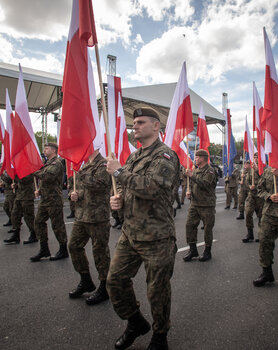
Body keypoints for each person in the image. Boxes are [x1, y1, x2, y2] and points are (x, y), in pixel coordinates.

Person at [106, 107, 180, 350]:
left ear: (156, 126)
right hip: (130, 233)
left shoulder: (165, 156)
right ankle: (136, 322)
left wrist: (119, 171)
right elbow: (129, 190)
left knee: (157, 292)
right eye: (133, 123)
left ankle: (160, 336)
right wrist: (117, 201)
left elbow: (152, 188)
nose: (134, 126)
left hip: (157, 237)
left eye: (140, 122)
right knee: (115, 281)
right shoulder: (134, 157)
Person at [68, 148, 112, 305]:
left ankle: (104, 287)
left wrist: (79, 173)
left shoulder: (104, 163)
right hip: (82, 215)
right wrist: (75, 194)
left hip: (98, 217)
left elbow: (99, 184)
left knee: (100, 252)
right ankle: (85, 279)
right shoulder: (85, 165)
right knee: (73, 246)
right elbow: (81, 188)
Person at [31, 142, 68, 262]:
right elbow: (44, 180)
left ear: (53, 150)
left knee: (57, 226)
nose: (44, 150)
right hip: (45, 199)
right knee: (38, 222)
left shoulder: (57, 163)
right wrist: (40, 190)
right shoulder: (47, 163)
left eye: (46, 149)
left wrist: (32, 170)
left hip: (54, 200)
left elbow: (48, 177)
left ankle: (63, 249)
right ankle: (44, 249)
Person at [183, 149, 218, 262]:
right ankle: (193, 250)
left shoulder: (210, 171)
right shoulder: (196, 170)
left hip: (207, 205)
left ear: (203, 158)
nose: (195, 159)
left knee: (207, 228)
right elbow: (195, 185)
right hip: (195, 203)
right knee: (190, 225)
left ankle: (207, 251)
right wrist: (189, 193)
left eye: (197, 157)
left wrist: (191, 176)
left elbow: (205, 184)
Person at [4, 174, 37, 245]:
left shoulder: (29, 170)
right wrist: (15, 185)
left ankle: (33, 234)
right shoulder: (20, 170)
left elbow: (24, 180)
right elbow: (17, 181)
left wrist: (14, 175)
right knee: (14, 215)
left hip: (27, 196)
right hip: (19, 196)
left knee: (28, 217)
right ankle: (16, 234)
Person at [242, 154, 264, 242]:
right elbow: (247, 181)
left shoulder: (264, 170)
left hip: (260, 196)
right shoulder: (251, 170)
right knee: (248, 213)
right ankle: (250, 233)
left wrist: (258, 171)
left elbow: (265, 181)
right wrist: (250, 186)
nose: (255, 159)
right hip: (251, 195)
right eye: (254, 157)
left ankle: (260, 234)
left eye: (257, 157)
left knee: (260, 216)